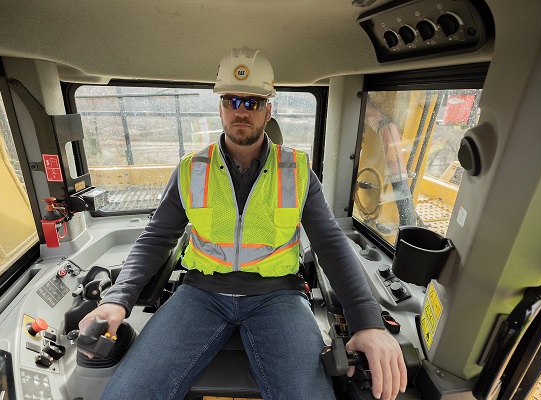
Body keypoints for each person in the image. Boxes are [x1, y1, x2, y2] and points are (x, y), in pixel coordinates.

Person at [79, 46, 407, 400]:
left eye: (252, 103)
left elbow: (330, 243)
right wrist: (117, 298)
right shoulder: (191, 169)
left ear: (268, 110)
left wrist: (368, 322)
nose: (241, 111)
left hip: (278, 296)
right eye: (231, 101)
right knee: (128, 393)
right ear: (220, 107)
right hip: (200, 294)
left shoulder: (297, 170)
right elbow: (155, 238)